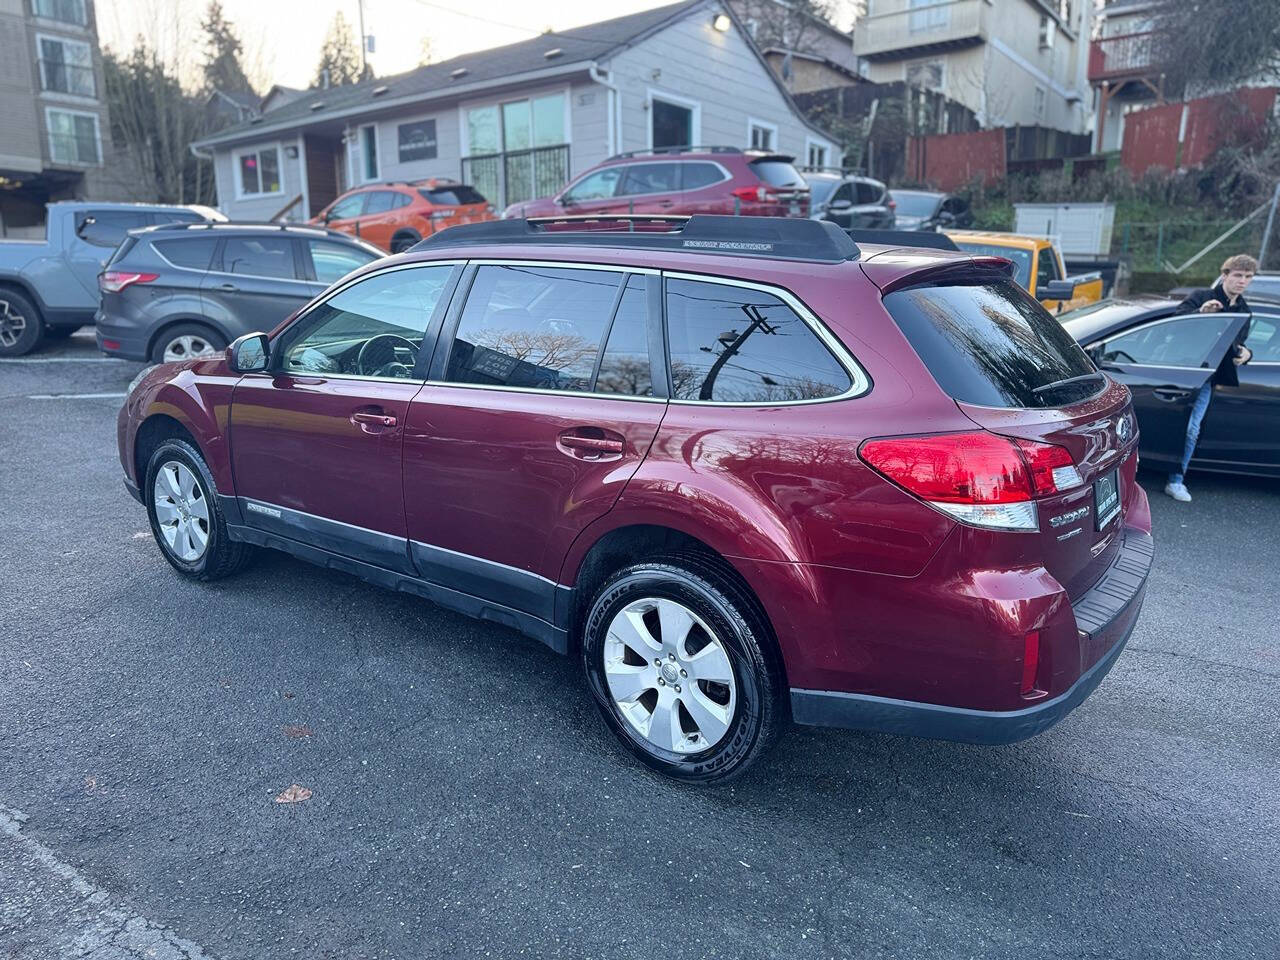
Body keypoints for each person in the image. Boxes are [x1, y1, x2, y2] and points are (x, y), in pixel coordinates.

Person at [1165, 253, 1257, 502]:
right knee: (1170, 423)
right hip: (1181, 371)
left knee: (1193, 430)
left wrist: (1247, 354)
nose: (1242, 281)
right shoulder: (1202, 296)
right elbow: (1175, 324)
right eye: (1238, 275)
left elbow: (1237, 346)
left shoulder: (1244, 310)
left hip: (1208, 378)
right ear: (1225, 275)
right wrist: (1201, 312)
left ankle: (1176, 480)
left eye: (1248, 277)